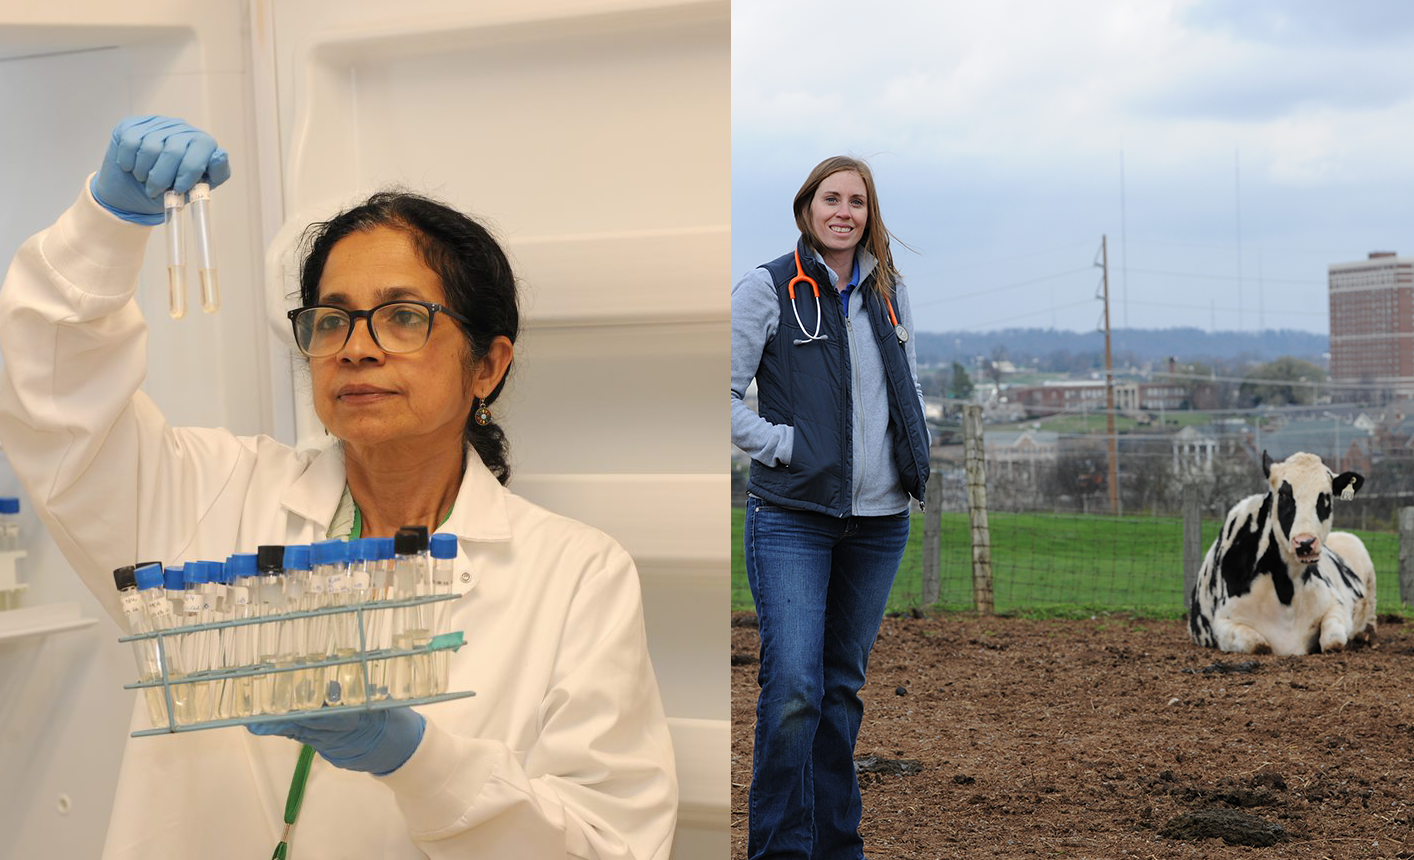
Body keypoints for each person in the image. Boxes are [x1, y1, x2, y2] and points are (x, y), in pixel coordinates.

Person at [0, 116, 676, 859]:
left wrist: (416, 758)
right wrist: (106, 224)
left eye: (402, 318)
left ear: (487, 366)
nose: (356, 348)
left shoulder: (576, 576)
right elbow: (52, 408)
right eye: (332, 320)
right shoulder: (212, 496)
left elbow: (608, 844)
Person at [730, 155, 930, 859]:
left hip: (878, 524)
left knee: (840, 691)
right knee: (793, 688)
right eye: (831, 198)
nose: (844, 211)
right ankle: (781, 850)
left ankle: (838, 847)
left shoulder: (892, 294)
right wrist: (783, 445)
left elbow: (898, 391)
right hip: (792, 517)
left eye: (858, 202)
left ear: (869, 216)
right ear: (807, 207)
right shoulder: (769, 289)